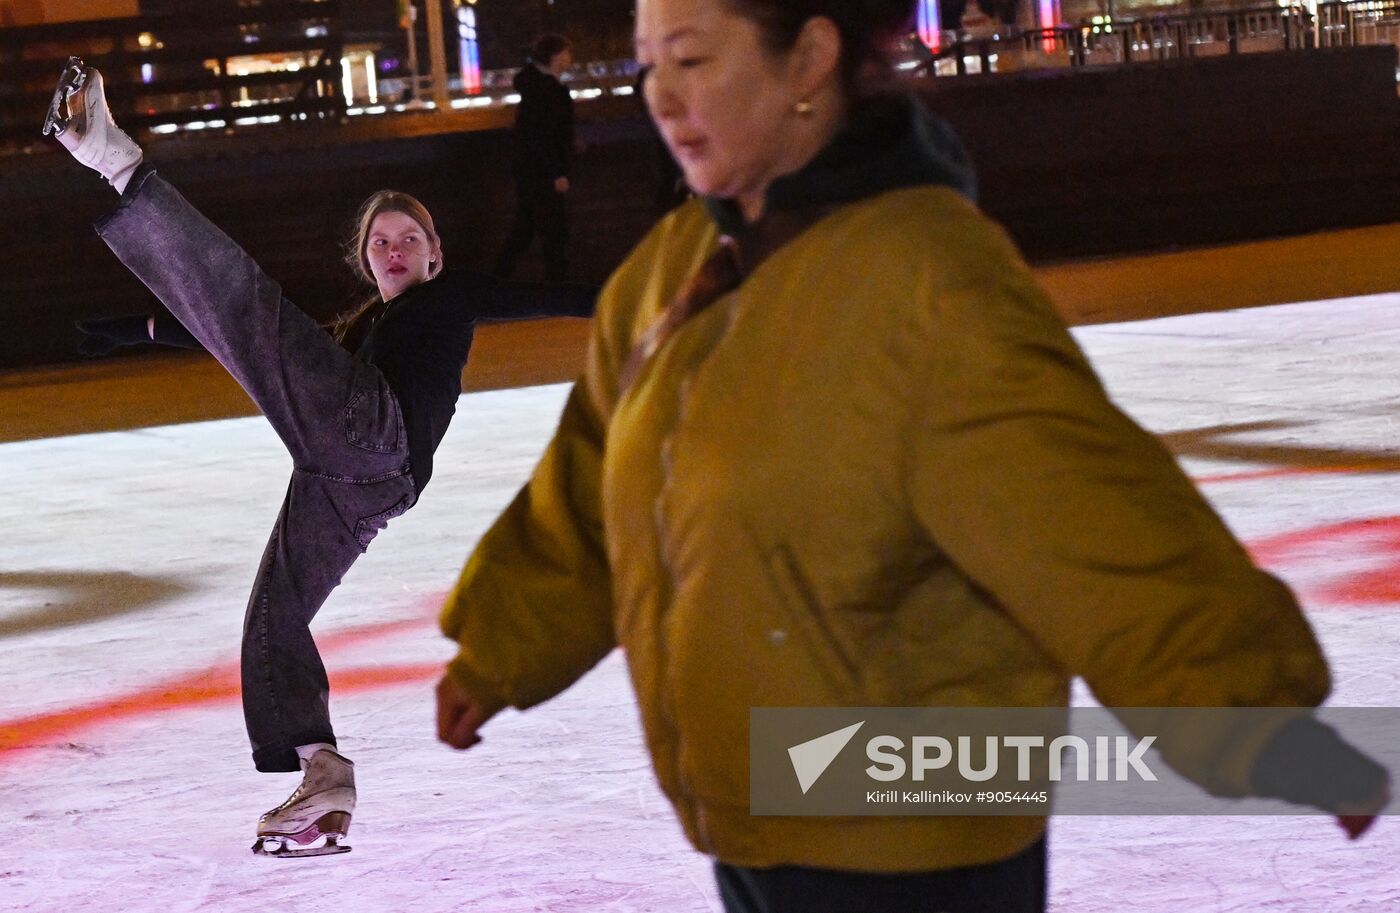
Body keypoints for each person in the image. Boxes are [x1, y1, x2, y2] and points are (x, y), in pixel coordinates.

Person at [434, 1, 1388, 910]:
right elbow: (594, 482)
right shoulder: (680, 265)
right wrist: (502, 647)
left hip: (913, 847)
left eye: (693, 60)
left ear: (808, 59)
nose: (661, 97)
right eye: (649, 66)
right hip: (763, 821)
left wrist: (1256, 717)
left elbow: (1094, 520)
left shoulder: (927, 282)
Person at [43, 57, 595, 859]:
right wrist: (140, 331)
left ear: (435, 254)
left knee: (255, 312)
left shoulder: (450, 297)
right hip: (360, 480)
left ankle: (112, 156)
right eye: (382, 240)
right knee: (273, 616)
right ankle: (320, 767)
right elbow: (240, 339)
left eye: (411, 237)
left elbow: (551, 295)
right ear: (367, 259)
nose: (396, 247)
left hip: (375, 438)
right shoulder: (355, 339)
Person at [492, 33, 578, 282]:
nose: (569, 58)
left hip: (530, 172)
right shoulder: (550, 92)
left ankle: (498, 282)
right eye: (565, 54)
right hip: (545, 174)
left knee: (526, 229)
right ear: (554, 58)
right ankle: (558, 288)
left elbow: (535, 134)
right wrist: (557, 172)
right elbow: (546, 135)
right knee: (554, 232)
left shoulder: (533, 89)